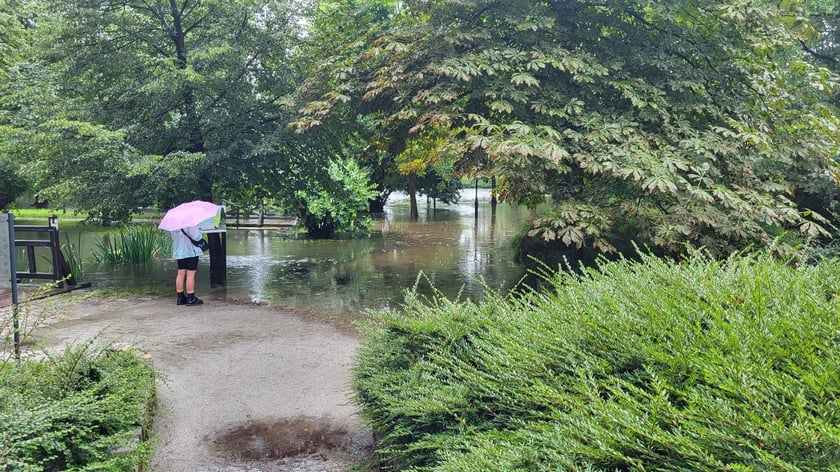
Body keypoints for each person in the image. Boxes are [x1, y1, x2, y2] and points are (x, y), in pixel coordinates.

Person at [171, 225, 204, 305]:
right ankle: (191, 297)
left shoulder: (174, 223)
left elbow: (173, 237)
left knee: (180, 273)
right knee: (190, 275)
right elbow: (196, 236)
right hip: (191, 251)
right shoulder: (190, 222)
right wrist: (199, 232)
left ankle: (180, 297)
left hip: (179, 251)